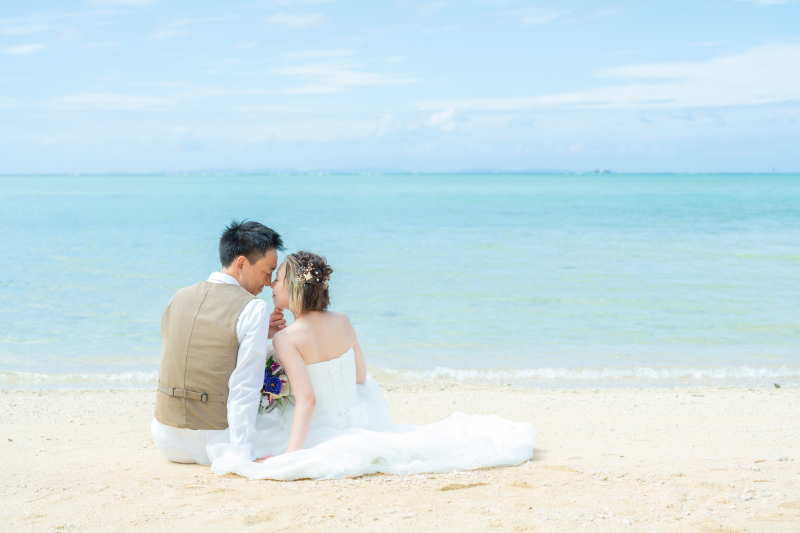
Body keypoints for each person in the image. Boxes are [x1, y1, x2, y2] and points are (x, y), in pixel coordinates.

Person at [206, 251, 536, 480]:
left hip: (321, 426)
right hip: (362, 415)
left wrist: (291, 457)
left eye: (278, 279)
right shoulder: (344, 320)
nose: (272, 286)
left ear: (293, 286)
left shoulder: (286, 338)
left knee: (245, 440)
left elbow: (307, 400)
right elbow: (361, 376)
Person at [150, 220, 291, 465]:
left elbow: (195, 348)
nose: (269, 282)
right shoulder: (254, 307)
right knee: (286, 424)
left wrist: (259, 333)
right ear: (241, 264)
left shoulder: (178, 295)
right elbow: (245, 386)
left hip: (166, 439)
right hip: (215, 443)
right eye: (268, 272)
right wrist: (244, 456)